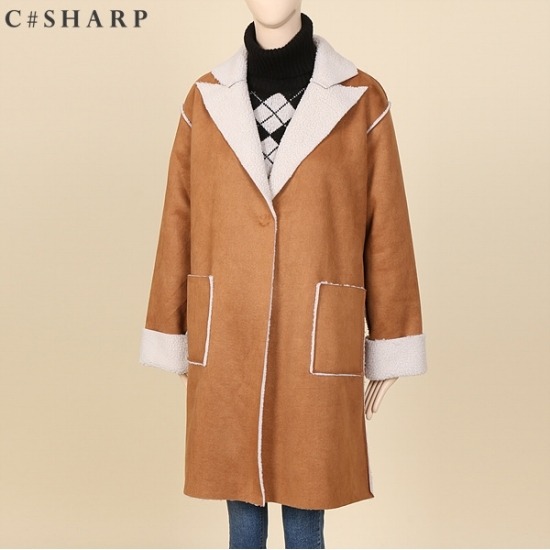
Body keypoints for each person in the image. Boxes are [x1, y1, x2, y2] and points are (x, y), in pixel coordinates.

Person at [139, 1, 427, 548]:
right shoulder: (205, 97)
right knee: (241, 511)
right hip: (228, 326)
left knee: (306, 501)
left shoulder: (362, 98)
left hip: (314, 327)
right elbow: (178, 218)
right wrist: (174, 331)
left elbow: (387, 225)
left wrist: (391, 341)